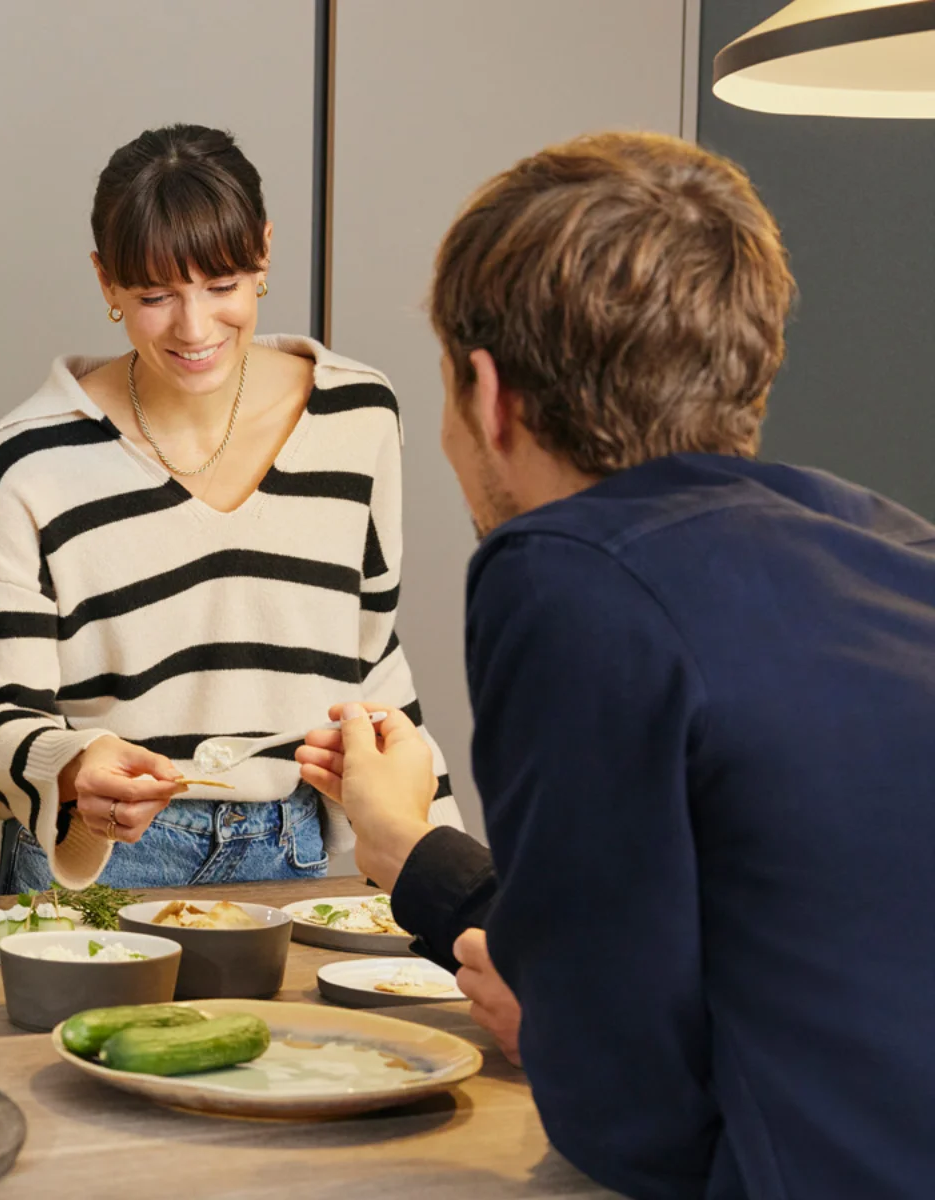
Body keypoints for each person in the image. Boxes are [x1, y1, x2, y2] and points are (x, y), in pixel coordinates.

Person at [295, 132, 935, 1199]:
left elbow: (626, 1120)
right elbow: (689, 936)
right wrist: (407, 844)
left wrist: (553, 1026)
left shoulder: (564, 574)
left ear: (486, 395)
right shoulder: (889, 545)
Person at [0, 124, 460, 893]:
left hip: (293, 847)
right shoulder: (27, 460)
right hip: (104, 861)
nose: (194, 329)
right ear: (105, 282)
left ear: (263, 252)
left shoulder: (359, 416)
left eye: (221, 285)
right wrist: (77, 764)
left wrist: (444, 869)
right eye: (155, 296)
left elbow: (373, 660)